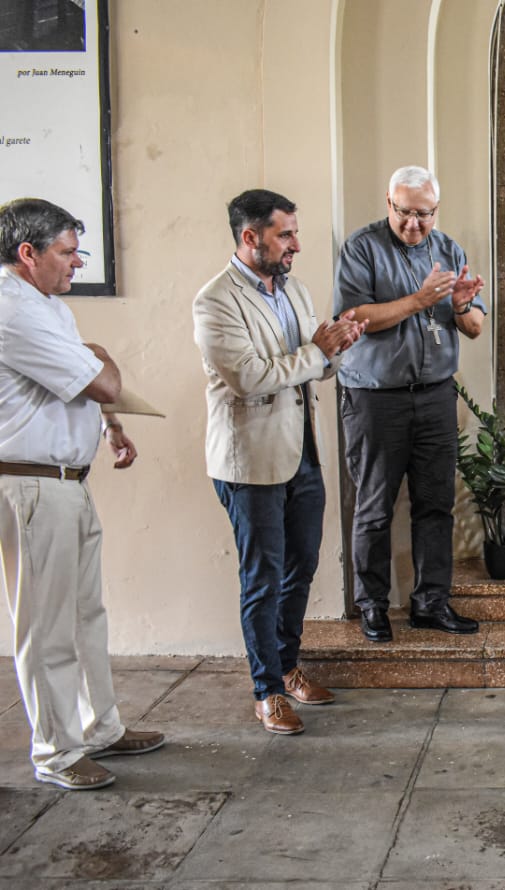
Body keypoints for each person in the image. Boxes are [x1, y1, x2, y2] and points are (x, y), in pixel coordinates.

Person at [0, 197, 164, 790]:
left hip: (67, 480)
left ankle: (101, 729)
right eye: (67, 253)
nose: (76, 264)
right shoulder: (12, 310)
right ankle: (57, 753)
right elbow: (101, 380)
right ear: (28, 254)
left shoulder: (47, 306)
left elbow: (70, 394)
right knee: (44, 627)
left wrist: (109, 427)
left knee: (86, 615)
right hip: (31, 486)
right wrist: (104, 364)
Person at [194, 189, 365, 735]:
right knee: (262, 578)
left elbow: (312, 368)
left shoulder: (295, 290)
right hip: (251, 463)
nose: (296, 244)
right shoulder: (215, 300)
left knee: (302, 568)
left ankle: (289, 666)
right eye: (284, 234)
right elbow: (249, 377)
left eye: (295, 232)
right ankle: (266, 690)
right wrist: (317, 351)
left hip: (302, 452)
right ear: (251, 237)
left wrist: (338, 346)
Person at [335, 166, 486, 642]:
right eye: (405, 213)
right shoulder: (362, 248)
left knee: (436, 505)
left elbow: (476, 326)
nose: (414, 224)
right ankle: (373, 605)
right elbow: (355, 316)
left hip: (436, 395)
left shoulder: (449, 250)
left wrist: (461, 304)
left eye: (424, 214)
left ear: (436, 210)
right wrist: (420, 300)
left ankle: (431, 602)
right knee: (375, 507)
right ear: (388, 203)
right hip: (376, 398)